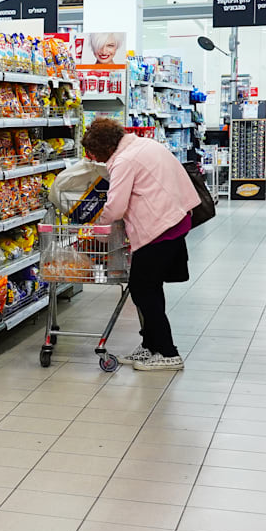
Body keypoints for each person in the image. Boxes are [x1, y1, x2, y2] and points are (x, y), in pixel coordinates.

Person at [81, 117, 200, 371]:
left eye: (96, 156)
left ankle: (168, 353)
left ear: (104, 149)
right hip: (175, 219)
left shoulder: (124, 161)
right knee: (151, 288)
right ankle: (150, 346)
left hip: (160, 227)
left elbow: (115, 206)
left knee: (142, 289)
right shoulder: (143, 145)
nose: (97, 162)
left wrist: (97, 232)